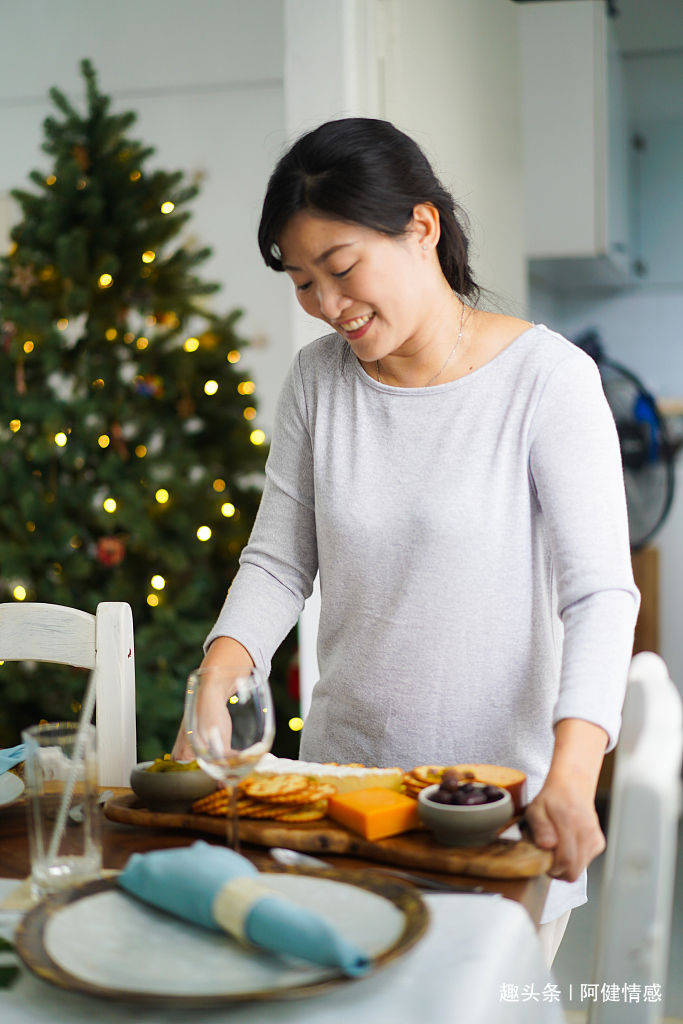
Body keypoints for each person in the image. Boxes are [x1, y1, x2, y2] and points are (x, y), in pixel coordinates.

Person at [173, 117, 640, 967]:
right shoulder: (318, 381)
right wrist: (217, 674)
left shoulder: (547, 382)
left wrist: (573, 774)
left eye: (341, 268)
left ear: (421, 227)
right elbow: (279, 561)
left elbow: (599, 594)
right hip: (340, 800)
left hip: (489, 809)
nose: (326, 305)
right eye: (303, 282)